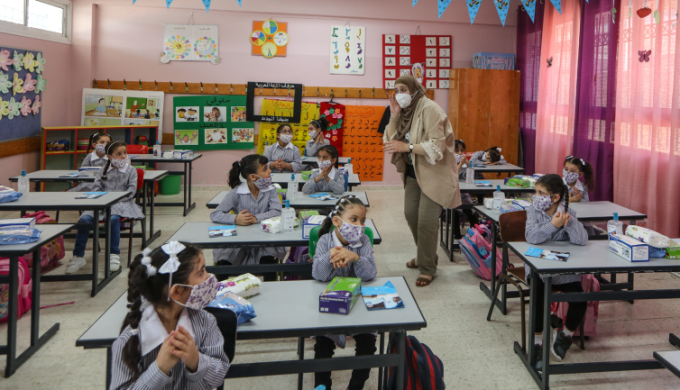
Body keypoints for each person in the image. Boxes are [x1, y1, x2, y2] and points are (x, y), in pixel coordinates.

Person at [110, 242, 230, 389]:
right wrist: (159, 369)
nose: (209, 277)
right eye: (201, 272)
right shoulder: (130, 338)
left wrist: (196, 361)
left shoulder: (206, 322)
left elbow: (219, 375)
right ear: (177, 292)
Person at [382, 75, 461, 287]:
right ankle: (425, 255)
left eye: (403, 89)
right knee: (410, 214)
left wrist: (406, 147)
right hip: (412, 174)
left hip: (434, 174)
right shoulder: (405, 112)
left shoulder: (430, 109)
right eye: (396, 90)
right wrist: (394, 115)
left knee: (427, 222)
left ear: (415, 90)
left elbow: (436, 148)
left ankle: (427, 267)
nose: (399, 94)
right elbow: (390, 140)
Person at [312, 196, 377, 390]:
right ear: (337, 221)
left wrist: (356, 257)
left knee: (368, 342)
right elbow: (318, 275)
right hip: (331, 305)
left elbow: (370, 274)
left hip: (359, 305)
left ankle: (356, 385)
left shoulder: (364, 241)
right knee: (323, 343)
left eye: (362, 221)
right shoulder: (325, 240)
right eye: (354, 219)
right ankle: (322, 385)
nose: (359, 225)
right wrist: (332, 255)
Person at [525, 174, 588, 369]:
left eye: (541, 193)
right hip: (538, 268)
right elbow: (532, 237)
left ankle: (565, 335)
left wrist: (569, 223)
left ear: (555, 198)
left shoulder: (570, 213)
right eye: (536, 192)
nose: (536, 196)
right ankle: (536, 344)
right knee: (539, 296)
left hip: (562, 269)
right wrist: (553, 225)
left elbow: (582, 240)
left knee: (580, 298)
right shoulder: (533, 211)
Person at [64, 141, 145, 274]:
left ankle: (113, 253)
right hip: (101, 202)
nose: (123, 156)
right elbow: (96, 188)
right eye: (119, 154)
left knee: (113, 219)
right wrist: (101, 198)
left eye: (125, 153)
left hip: (122, 202)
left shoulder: (131, 170)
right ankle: (78, 256)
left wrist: (115, 199)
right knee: (84, 220)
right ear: (109, 157)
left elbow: (131, 190)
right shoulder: (103, 170)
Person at [209, 154, 284, 281]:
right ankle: (221, 291)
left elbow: (276, 211)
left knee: (269, 263)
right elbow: (215, 214)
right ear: (253, 177)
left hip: (264, 239)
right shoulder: (236, 193)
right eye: (265, 169)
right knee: (224, 263)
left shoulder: (270, 190)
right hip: (239, 240)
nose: (270, 171)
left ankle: (272, 294)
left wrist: (256, 218)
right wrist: (235, 219)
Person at [453, 139, 480, 238]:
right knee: (455, 210)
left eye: (462, 150)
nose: (460, 153)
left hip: (463, 193)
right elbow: (454, 176)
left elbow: (472, 176)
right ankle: (456, 235)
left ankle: (477, 233)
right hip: (452, 193)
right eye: (457, 151)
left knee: (469, 209)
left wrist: (468, 164)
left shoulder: (464, 162)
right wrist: (460, 164)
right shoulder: (448, 162)